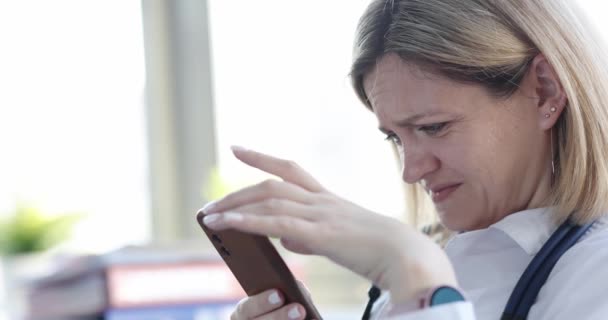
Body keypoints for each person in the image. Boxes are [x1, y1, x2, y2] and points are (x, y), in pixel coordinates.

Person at [200, 0, 608, 319]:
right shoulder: (433, 260)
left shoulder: (596, 272)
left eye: (434, 127)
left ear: (544, 91)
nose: (412, 171)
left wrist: (420, 283)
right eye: (395, 137)